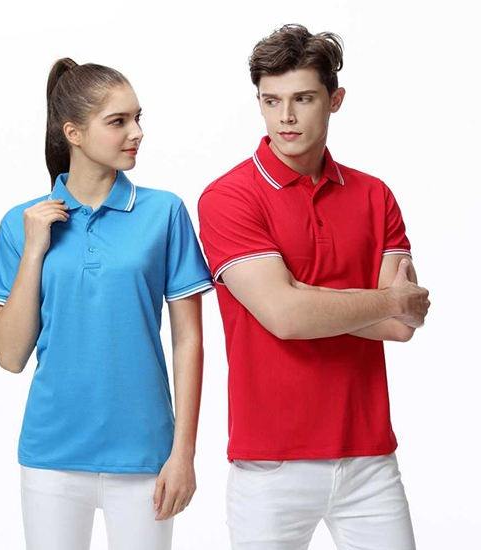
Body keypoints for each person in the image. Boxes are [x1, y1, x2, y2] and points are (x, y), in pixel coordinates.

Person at [197, 24, 430, 550]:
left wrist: (303, 295)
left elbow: (400, 324)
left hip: (368, 458)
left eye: (303, 98)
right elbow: (285, 317)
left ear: (334, 100)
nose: (286, 116)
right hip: (269, 466)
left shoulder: (375, 196)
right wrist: (378, 300)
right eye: (271, 101)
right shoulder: (228, 198)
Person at [0, 57, 213, 550]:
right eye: (118, 121)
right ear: (74, 133)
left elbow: (189, 341)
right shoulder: (21, 224)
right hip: (51, 454)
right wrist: (35, 250)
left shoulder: (165, 212)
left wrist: (183, 454)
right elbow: (10, 355)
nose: (136, 132)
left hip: (146, 454)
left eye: (137, 118)